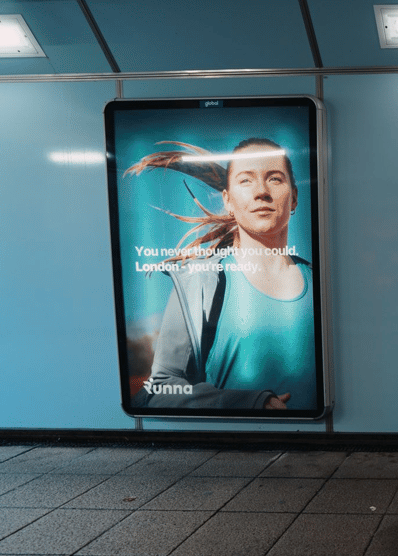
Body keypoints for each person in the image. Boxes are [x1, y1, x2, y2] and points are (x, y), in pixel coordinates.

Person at [129, 138, 317, 410]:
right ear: (228, 201)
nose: (261, 191)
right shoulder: (201, 282)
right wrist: (250, 404)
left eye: (275, 179)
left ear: (294, 198)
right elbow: (159, 388)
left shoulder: (322, 285)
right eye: (246, 180)